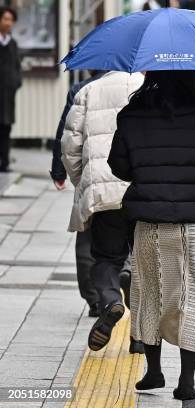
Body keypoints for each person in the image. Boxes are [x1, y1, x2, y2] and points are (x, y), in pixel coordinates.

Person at [108, 70, 195, 401]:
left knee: (150, 293)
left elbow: (118, 166)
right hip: (193, 224)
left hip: (149, 221)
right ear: (192, 78)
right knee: (193, 296)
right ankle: (187, 380)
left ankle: (153, 371)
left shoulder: (132, 114)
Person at [61, 71, 145, 351]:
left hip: (101, 190)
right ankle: (140, 338)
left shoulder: (88, 91)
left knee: (106, 257)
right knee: (143, 263)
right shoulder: (146, 87)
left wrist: (82, 182)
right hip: (140, 190)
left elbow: (70, 146)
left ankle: (111, 299)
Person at [51, 71, 106, 318]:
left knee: (86, 237)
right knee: (126, 234)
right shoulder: (138, 85)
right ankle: (121, 281)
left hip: (90, 172)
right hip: (126, 176)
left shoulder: (81, 90)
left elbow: (66, 136)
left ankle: (94, 298)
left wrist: (65, 172)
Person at [0, 6, 22, 173]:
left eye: (10, 20)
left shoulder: (13, 43)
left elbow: (17, 67)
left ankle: (5, 162)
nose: (8, 23)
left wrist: (16, 83)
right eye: (5, 19)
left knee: (6, 127)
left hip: (8, 95)